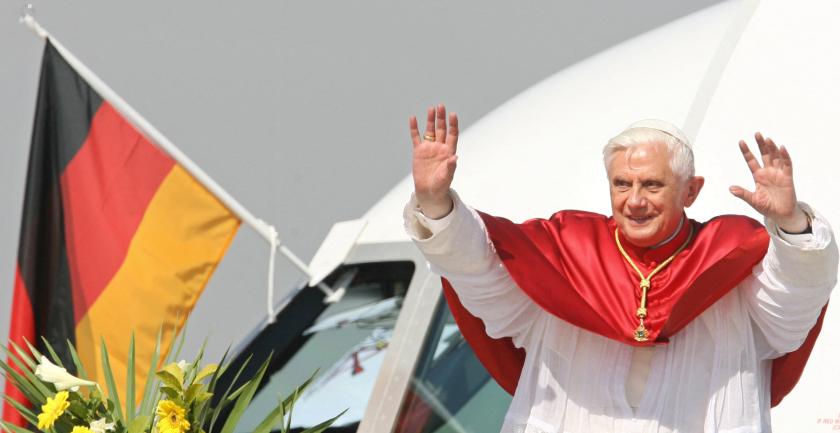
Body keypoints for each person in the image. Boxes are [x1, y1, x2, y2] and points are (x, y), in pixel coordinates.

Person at [403, 104, 838, 433]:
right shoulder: (565, 253)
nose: (634, 201)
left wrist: (790, 223)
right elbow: (480, 271)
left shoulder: (731, 256)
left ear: (691, 191)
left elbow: (794, 302)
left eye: (652, 184)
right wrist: (436, 202)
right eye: (621, 184)